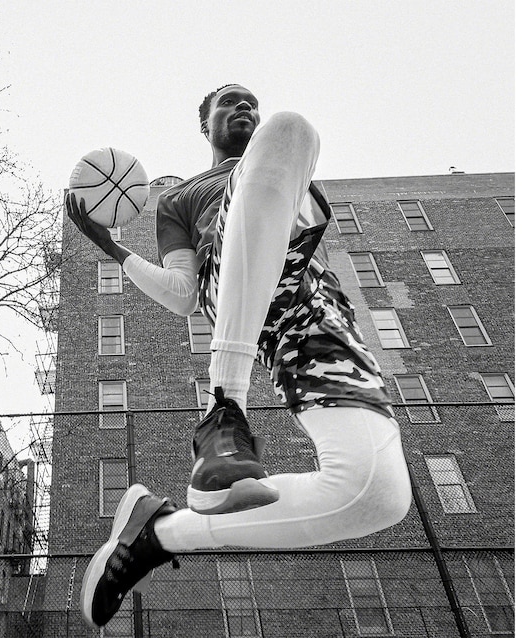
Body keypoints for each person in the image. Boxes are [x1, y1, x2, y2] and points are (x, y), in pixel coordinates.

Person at [66, 84, 414, 627]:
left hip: (317, 315)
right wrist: (110, 247)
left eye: (250, 100)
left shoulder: (279, 168)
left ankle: (155, 534)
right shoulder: (179, 197)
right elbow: (184, 295)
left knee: (378, 495)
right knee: (291, 127)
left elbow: (284, 169)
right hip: (232, 291)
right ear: (204, 125)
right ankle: (225, 408)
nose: (245, 107)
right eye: (229, 101)